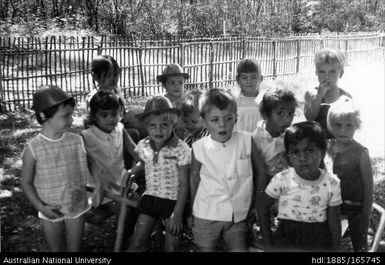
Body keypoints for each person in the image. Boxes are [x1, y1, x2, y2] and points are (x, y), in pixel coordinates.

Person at [21, 85, 101, 252]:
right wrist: (41, 208)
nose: (71, 120)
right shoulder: (33, 148)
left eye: (71, 114)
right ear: (44, 117)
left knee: (75, 249)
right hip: (49, 208)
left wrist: (98, 186)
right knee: (56, 250)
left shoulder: (76, 140)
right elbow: (26, 182)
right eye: (66, 116)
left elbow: (91, 162)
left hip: (76, 204)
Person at [190, 88, 266, 252]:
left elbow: (260, 171)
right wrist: (191, 211)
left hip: (237, 214)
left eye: (228, 118)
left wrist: (258, 202)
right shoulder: (199, 147)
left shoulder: (246, 140)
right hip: (206, 212)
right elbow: (194, 180)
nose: (222, 124)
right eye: (215, 119)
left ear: (236, 118)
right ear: (204, 120)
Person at [259, 121, 342, 252]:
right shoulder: (282, 179)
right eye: (295, 152)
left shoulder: (332, 183)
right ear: (288, 156)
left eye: (309, 150)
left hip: (318, 240)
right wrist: (268, 242)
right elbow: (262, 206)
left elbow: (334, 220)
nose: (302, 158)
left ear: (323, 152)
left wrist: (336, 251)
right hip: (286, 239)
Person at [127, 95, 191, 252]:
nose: (158, 129)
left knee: (171, 246)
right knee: (137, 242)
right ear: (146, 126)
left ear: (173, 124)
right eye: (153, 125)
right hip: (151, 197)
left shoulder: (181, 148)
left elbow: (184, 183)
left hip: (173, 202)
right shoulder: (144, 145)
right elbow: (145, 161)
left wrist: (177, 214)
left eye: (164, 124)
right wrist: (133, 170)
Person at [81, 90, 142, 250]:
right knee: (126, 212)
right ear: (94, 116)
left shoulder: (120, 129)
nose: (111, 119)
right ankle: (121, 244)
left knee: (141, 207)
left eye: (114, 114)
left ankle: (128, 237)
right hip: (101, 190)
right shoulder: (86, 136)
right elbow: (84, 163)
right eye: (104, 115)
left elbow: (134, 150)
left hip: (122, 183)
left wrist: (148, 160)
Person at [325, 96, 373, 252]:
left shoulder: (361, 153)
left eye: (348, 125)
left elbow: (368, 187)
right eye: (337, 125)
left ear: (356, 126)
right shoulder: (327, 147)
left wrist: (365, 216)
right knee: (330, 244)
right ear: (330, 125)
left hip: (355, 210)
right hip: (332, 207)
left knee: (360, 246)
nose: (343, 130)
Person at [86, 54, 143, 143]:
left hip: (118, 128)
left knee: (140, 120)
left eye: (116, 75)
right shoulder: (95, 97)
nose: (114, 80)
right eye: (109, 76)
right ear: (95, 77)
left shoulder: (115, 92)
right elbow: (93, 124)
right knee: (134, 133)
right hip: (105, 135)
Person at [252, 85, 298, 188]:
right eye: (281, 113)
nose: (287, 119)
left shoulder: (290, 135)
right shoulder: (257, 137)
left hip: (287, 184)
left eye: (291, 113)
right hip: (264, 184)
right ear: (265, 114)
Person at [304, 48, 352, 138]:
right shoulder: (311, 94)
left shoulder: (345, 97)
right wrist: (319, 95)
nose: (327, 76)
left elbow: (351, 126)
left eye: (332, 72)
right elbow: (310, 118)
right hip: (316, 143)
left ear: (341, 73)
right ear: (316, 73)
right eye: (322, 72)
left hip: (337, 143)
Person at [157, 63, 190, 139]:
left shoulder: (187, 100)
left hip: (186, 133)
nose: (177, 86)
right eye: (172, 83)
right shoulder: (162, 101)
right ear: (164, 85)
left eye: (180, 83)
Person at [234, 58, 264, 133]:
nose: (249, 81)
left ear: (261, 78)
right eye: (244, 77)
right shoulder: (234, 101)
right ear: (238, 79)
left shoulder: (265, 100)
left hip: (260, 141)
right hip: (239, 142)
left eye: (253, 77)